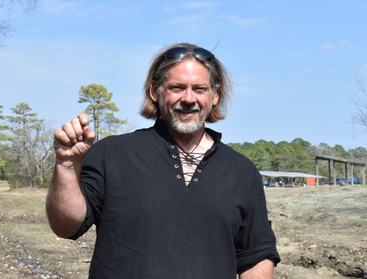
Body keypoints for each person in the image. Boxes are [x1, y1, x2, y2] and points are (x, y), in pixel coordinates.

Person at [46, 43, 280, 279]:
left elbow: (256, 255)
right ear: (155, 91)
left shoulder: (241, 171)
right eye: (177, 88)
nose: (189, 99)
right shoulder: (112, 153)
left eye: (199, 89)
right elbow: (66, 226)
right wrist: (66, 165)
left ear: (214, 96)